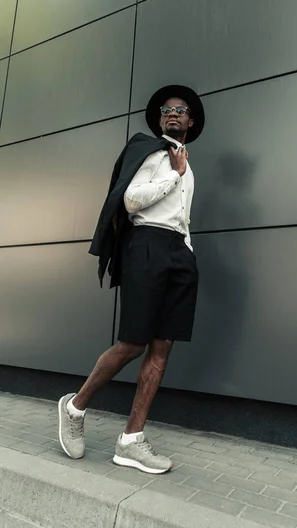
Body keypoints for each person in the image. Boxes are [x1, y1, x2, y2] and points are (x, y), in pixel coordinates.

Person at [57, 85, 205, 474]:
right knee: (133, 343)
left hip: (178, 252)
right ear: (160, 119)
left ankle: (131, 441)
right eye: (166, 110)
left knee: (163, 345)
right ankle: (75, 407)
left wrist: (188, 250)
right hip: (148, 244)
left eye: (181, 110)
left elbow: (183, 216)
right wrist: (173, 176)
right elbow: (131, 200)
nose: (172, 113)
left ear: (191, 121)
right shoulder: (151, 151)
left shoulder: (189, 166)